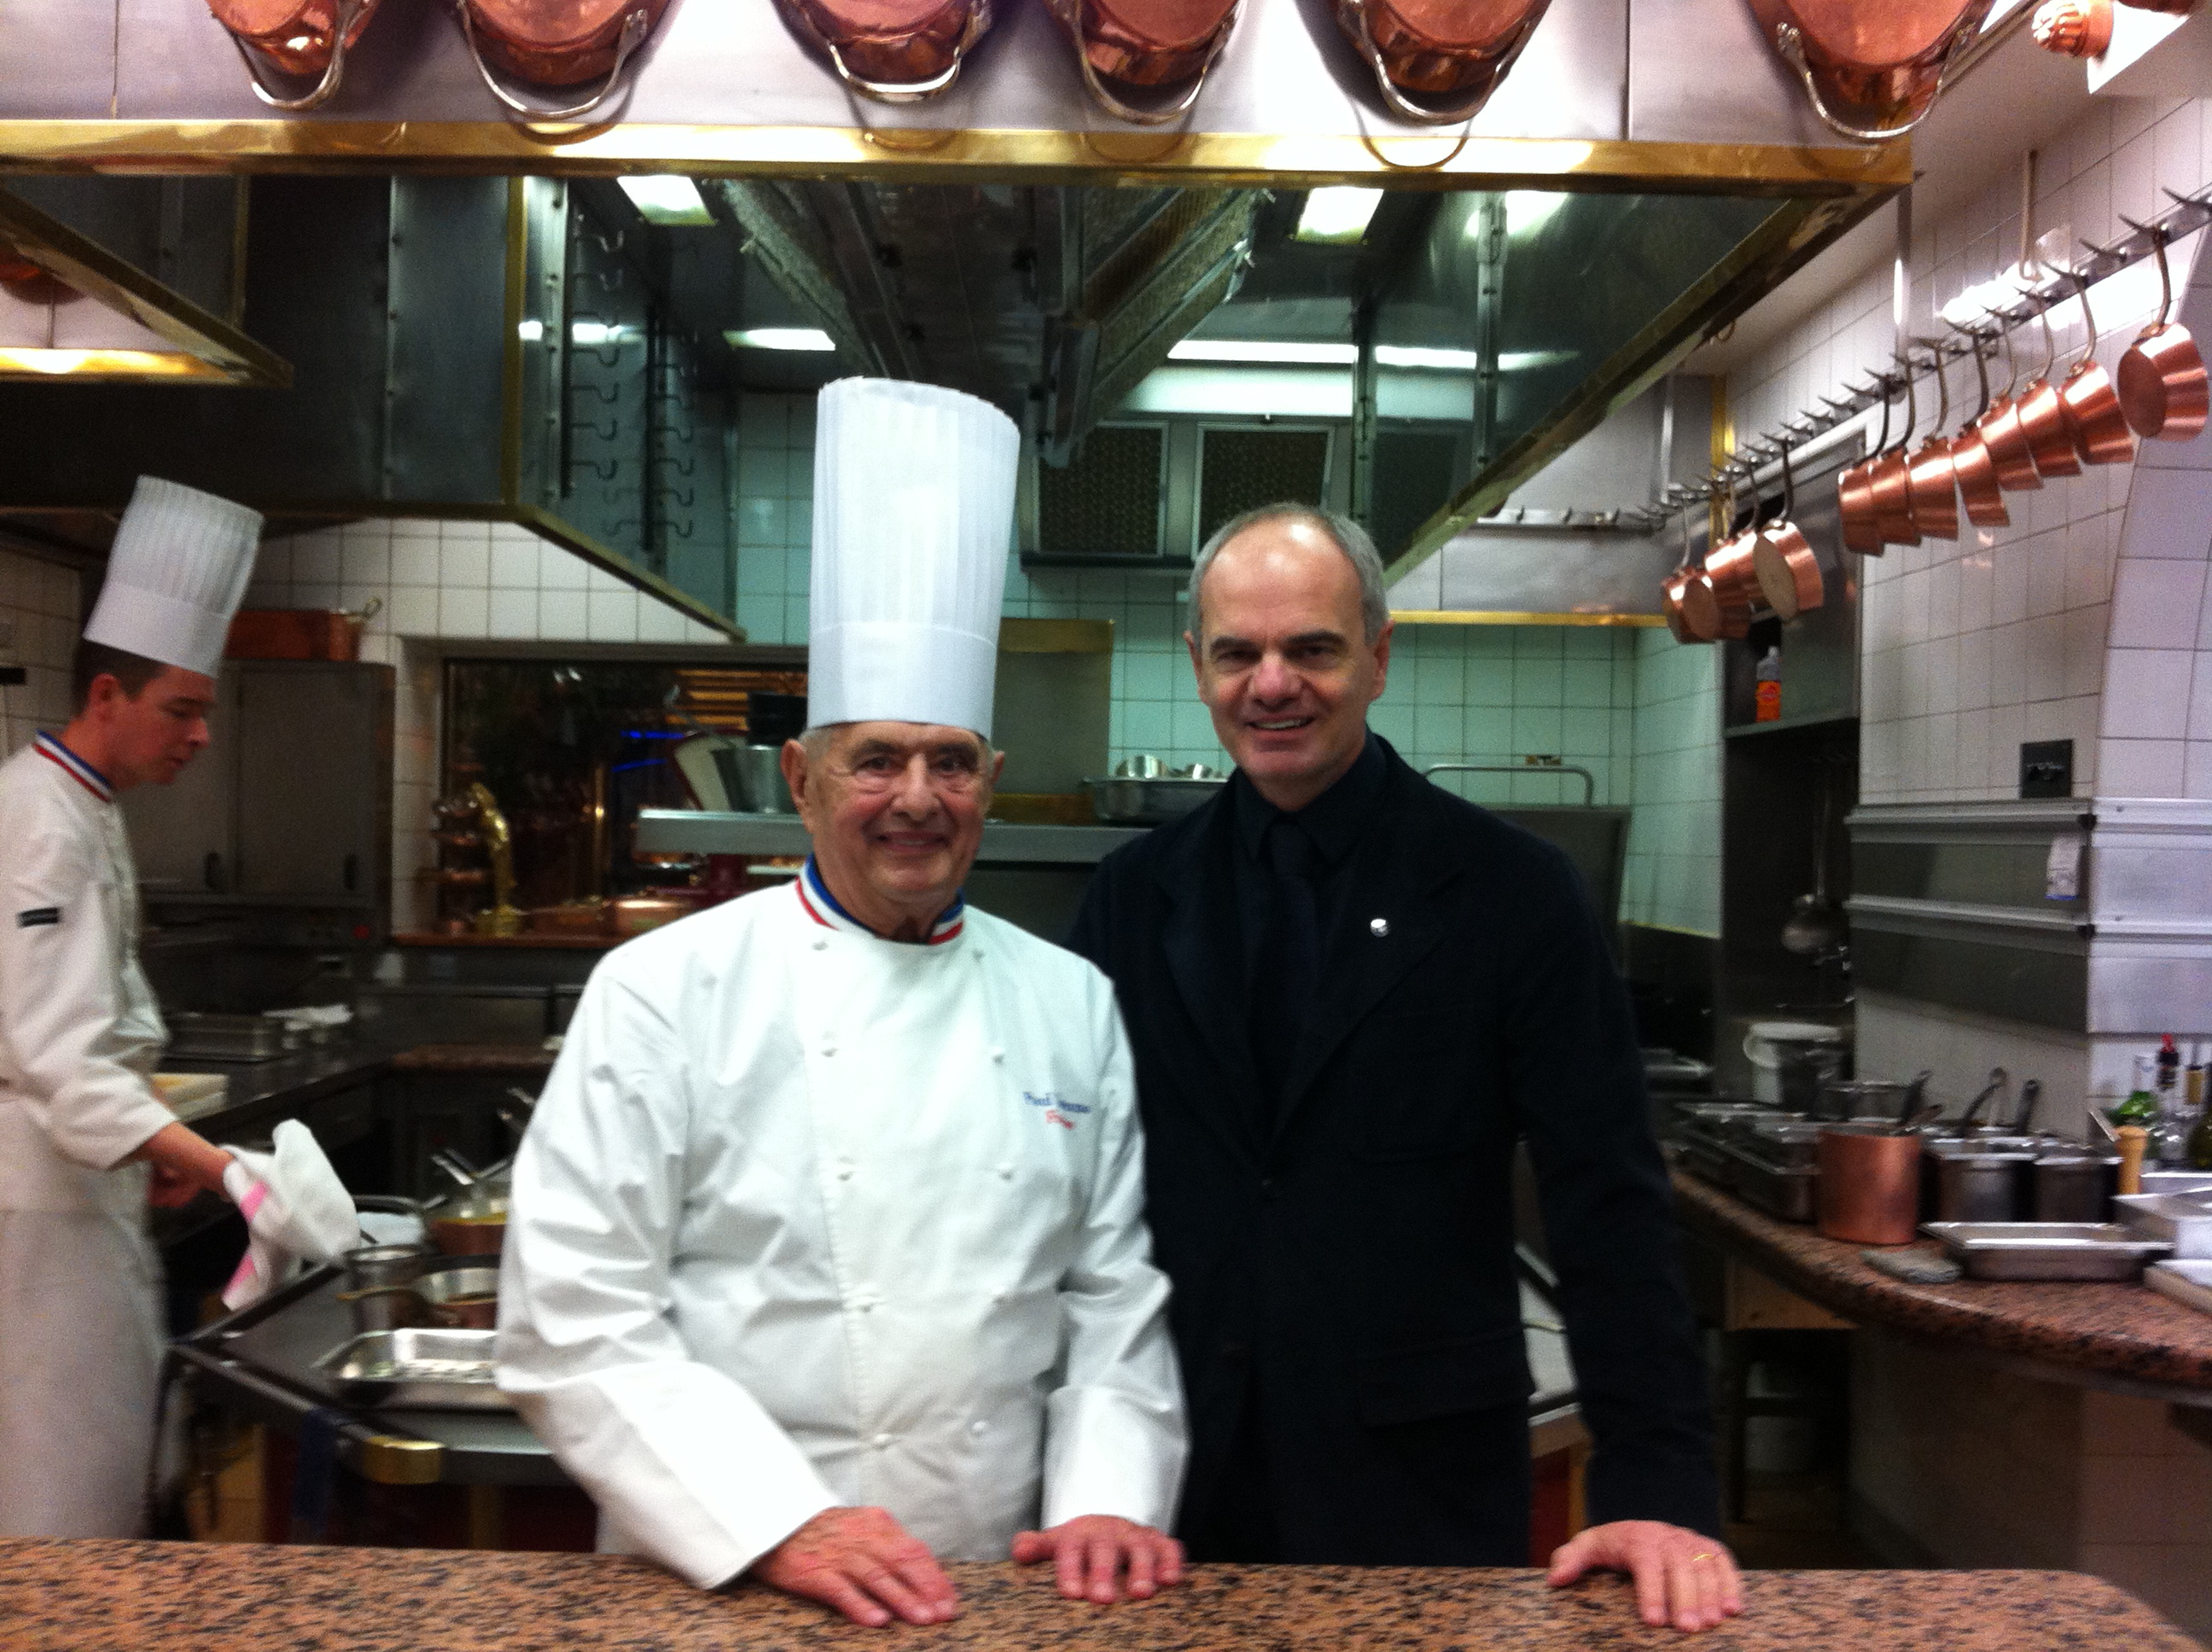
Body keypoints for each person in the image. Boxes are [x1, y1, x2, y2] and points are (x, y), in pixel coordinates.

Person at [498, 379, 1186, 1631]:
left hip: (998, 1575)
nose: (917, 796)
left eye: (952, 762)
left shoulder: (1071, 1001)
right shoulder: (663, 989)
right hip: (727, 1562)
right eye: (877, 760)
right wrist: (778, 1521)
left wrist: (1106, 1495)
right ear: (804, 781)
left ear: (992, 781)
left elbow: (1110, 1292)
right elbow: (573, 1313)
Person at [1068, 503, 1740, 1634]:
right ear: (1199, 668)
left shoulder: (1511, 892)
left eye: (1312, 649)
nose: (1271, 683)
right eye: (1238, 653)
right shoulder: (1136, 896)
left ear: (1378, 657)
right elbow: (1082, 1188)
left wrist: (1659, 1485)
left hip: (1416, 1473)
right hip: (1179, 1472)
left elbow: (1608, 1197)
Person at [0, 477, 264, 1537]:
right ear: (106, 694)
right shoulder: (43, 822)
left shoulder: (83, 804)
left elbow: (88, 1021)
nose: (198, 736)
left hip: (77, 1200)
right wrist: (226, 1168)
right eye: (182, 710)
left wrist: (154, 1145)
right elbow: (59, 1058)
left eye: (204, 710)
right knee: (61, 1506)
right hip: (36, 1219)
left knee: (105, 1479)